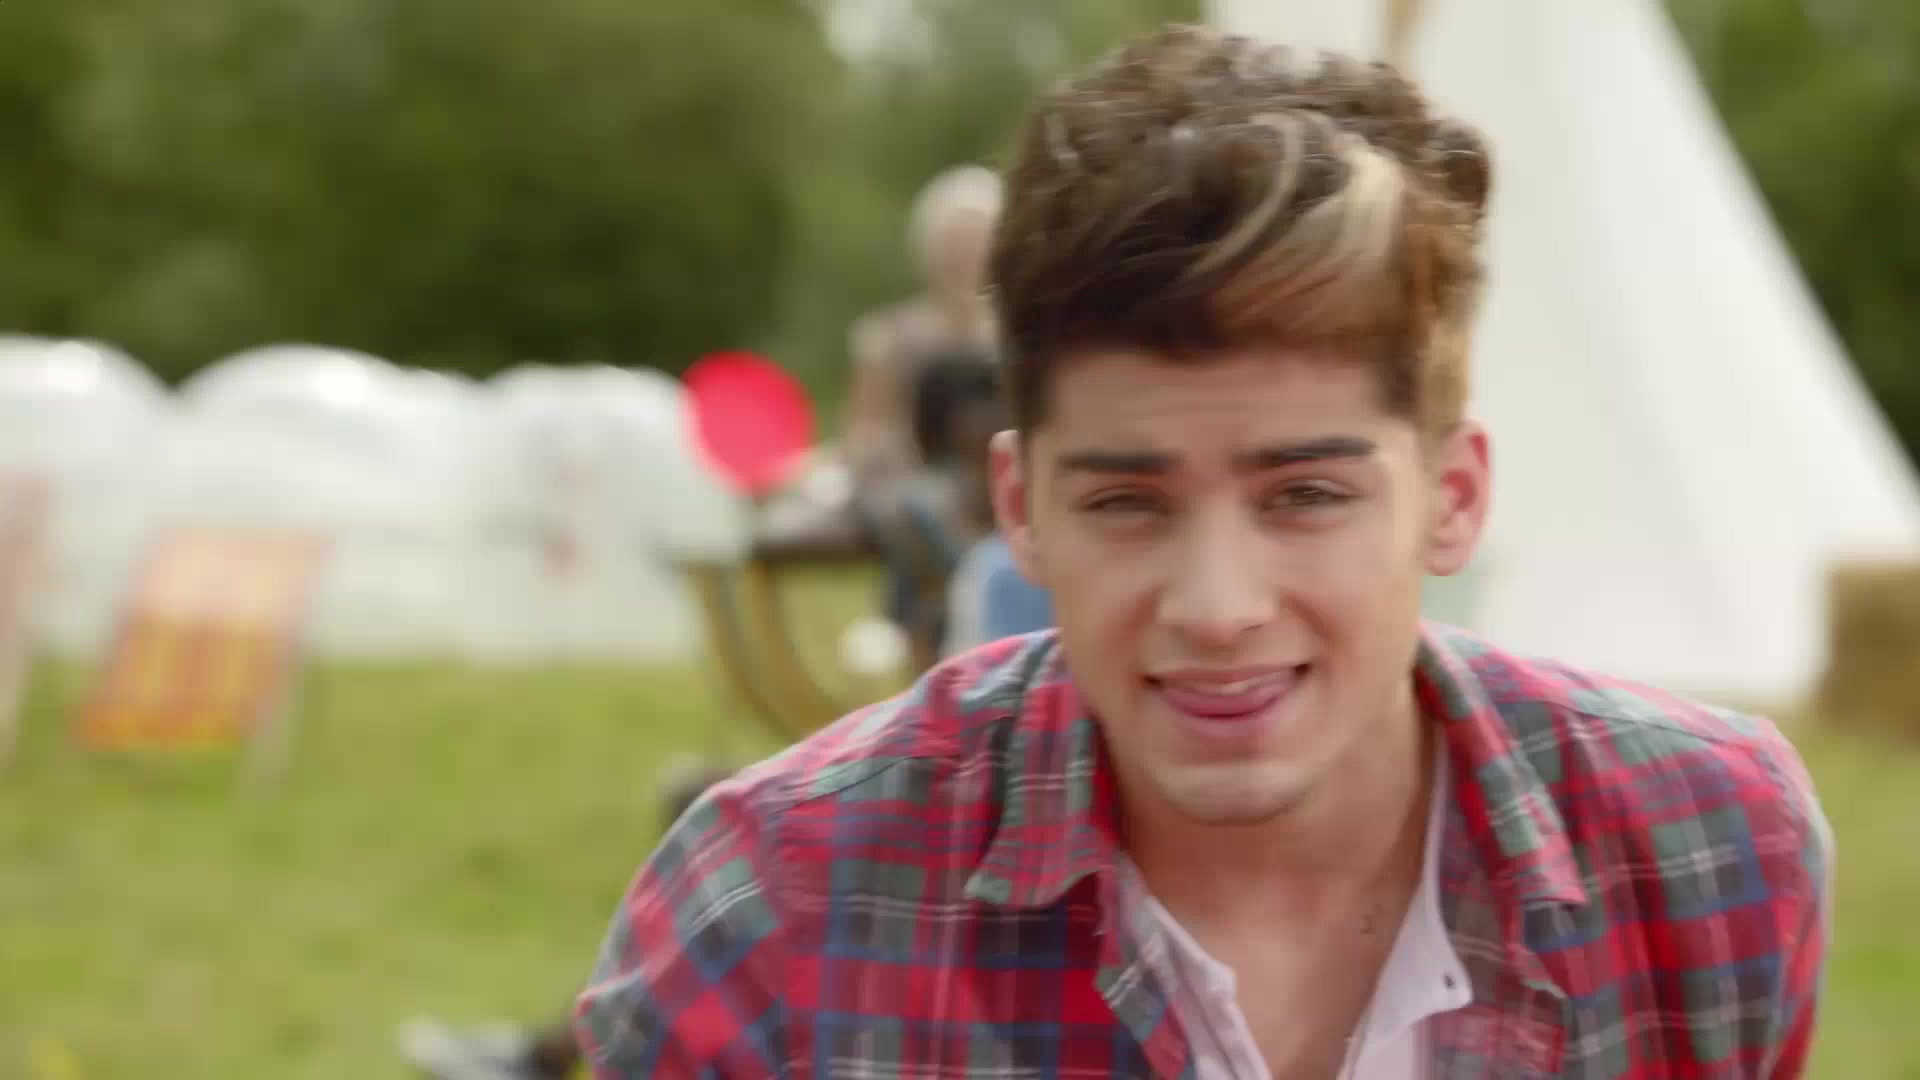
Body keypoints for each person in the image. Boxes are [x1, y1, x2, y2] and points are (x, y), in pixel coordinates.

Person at [575, 23, 1834, 1079]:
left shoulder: (1708, 851)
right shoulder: (775, 917)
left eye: (1306, 495)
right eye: (1129, 504)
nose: (1218, 606)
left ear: (1451, 497)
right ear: (1021, 506)